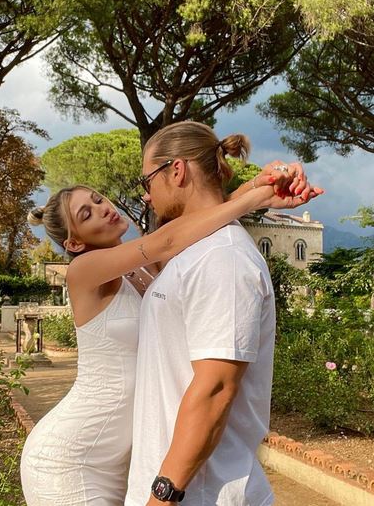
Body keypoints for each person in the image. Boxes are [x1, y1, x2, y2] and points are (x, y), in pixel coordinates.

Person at [20, 128, 322, 506]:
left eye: (97, 198)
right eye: (87, 213)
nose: (104, 207)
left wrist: (255, 188)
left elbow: (193, 227)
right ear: (74, 243)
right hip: (70, 457)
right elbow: (168, 238)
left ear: (177, 171)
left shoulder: (148, 265)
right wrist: (256, 197)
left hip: (122, 462)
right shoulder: (85, 272)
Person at [124, 122, 323, 506]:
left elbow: (215, 389)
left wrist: (162, 496)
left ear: (176, 170)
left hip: (199, 494)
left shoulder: (223, 257)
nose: (146, 195)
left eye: (147, 180)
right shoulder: (197, 248)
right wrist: (253, 191)